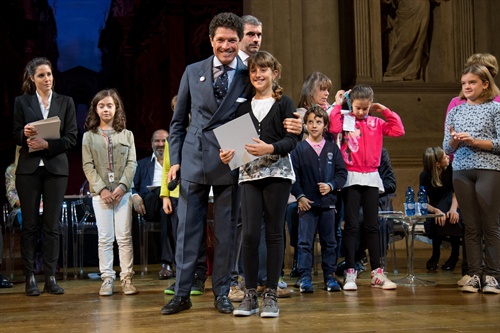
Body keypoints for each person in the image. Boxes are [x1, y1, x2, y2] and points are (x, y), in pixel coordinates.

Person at [162, 13, 302, 316]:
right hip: (194, 159)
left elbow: (268, 107)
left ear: (239, 42)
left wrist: (294, 123)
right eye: (220, 40)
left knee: (227, 233)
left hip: (231, 160)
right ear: (211, 40)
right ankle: (182, 292)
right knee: (187, 231)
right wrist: (174, 161)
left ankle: (222, 293)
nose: (226, 46)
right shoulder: (192, 71)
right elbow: (177, 123)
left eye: (232, 41)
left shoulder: (248, 73)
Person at [221, 51, 300, 317]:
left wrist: (271, 147)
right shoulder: (243, 106)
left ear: (274, 73)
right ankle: (250, 293)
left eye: (263, 70)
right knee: (251, 233)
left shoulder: (284, 103)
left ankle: (271, 295)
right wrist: (227, 154)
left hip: (277, 174)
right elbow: (235, 146)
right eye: (254, 70)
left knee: (274, 233)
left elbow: (292, 141)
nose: (258, 75)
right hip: (250, 175)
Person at [329, 84, 404, 290]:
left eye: (365, 108)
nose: (361, 112)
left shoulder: (376, 122)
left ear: (371, 105)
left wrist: (385, 111)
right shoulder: (345, 120)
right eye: (357, 108)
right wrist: (337, 105)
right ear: (351, 104)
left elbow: (398, 130)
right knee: (352, 226)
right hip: (351, 177)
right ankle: (351, 271)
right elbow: (333, 128)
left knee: (372, 225)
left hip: (371, 176)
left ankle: (377, 272)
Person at [13, 57, 77, 296]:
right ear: (32, 78)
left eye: (49, 74)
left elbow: (71, 137)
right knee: (29, 225)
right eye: (41, 75)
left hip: (55, 170)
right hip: (29, 170)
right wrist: (24, 134)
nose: (47, 79)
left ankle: (51, 276)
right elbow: (15, 133)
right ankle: (30, 277)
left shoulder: (66, 101)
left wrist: (46, 144)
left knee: (52, 226)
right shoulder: (22, 102)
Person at [443, 64, 500, 294]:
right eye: (464, 83)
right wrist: (456, 141)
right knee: (471, 226)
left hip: (488, 169)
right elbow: (446, 145)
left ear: (485, 84)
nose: (467, 87)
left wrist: (475, 141)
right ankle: (475, 274)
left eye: (472, 82)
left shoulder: (495, 109)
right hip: (461, 170)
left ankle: (494, 276)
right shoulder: (456, 110)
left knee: (490, 225)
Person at [82, 89, 138, 296]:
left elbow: (132, 164)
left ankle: (127, 279)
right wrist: (102, 189)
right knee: (105, 238)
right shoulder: (89, 137)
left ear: (116, 108)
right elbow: (88, 166)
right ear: (96, 109)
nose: (106, 109)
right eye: (102, 106)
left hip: (123, 193)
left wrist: (123, 187)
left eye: (110, 105)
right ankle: (107, 279)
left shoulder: (127, 135)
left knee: (124, 237)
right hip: (101, 195)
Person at [290, 105, 347, 293]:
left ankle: (329, 276)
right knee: (304, 242)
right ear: (305, 124)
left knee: (329, 242)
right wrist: (300, 196)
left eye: (319, 122)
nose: (314, 125)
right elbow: (292, 176)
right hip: (307, 204)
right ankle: (305, 277)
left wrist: (331, 185)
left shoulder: (332, 148)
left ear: (325, 125)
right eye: (311, 122)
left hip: (328, 204)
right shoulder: (298, 149)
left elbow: (341, 173)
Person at [132, 129, 176, 280]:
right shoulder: (142, 164)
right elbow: (132, 185)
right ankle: (168, 263)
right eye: (157, 141)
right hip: (148, 205)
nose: (161, 144)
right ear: (151, 144)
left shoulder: (176, 163)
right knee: (160, 192)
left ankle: (166, 264)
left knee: (167, 213)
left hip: (170, 207)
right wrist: (135, 195)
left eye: (164, 141)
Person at [420, 147, 462, 272]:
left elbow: (456, 193)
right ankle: (435, 254)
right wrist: (436, 211)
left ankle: (454, 255)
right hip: (436, 207)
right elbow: (423, 202)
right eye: (444, 157)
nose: (448, 157)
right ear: (437, 163)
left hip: (453, 204)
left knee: (451, 216)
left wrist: (453, 210)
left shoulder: (451, 170)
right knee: (437, 218)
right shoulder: (424, 176)